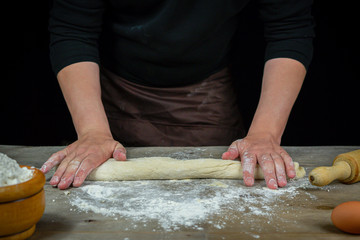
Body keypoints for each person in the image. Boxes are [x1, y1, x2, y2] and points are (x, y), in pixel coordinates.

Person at [40, 0, 315, 190]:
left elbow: (289, 28)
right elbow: (73, 29)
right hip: (108, 91)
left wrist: (265, 133)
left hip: (204, 94)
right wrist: (91, 131)